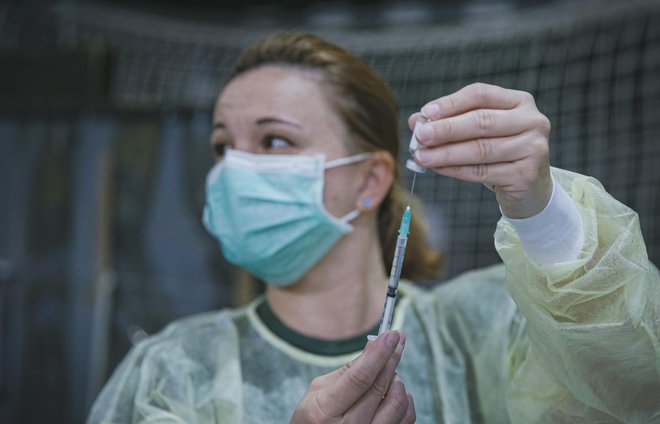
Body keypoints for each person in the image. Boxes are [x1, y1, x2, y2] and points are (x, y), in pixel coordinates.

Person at [88, 32, 659, 423]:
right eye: (222, 146)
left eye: (275, 140)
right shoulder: (169, 371)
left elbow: (637, 385)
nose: (237, 169)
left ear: (372, 179)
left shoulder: (481, 336)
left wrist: (543, 213)